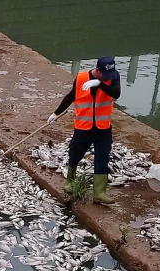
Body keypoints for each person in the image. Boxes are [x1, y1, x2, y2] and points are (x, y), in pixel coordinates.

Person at [47, 57, 121, 205]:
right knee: (75, 153)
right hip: (83, 127)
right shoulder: (81, 78)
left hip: (103, 127)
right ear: (98, 70)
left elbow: (116, 93)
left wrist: (100, 83)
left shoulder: (113, 77)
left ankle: (99, 193)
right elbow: (71, 96)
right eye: (104, 75)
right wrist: (56, 113)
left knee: (102, 157)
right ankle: (70, 181)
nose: (108, 77)